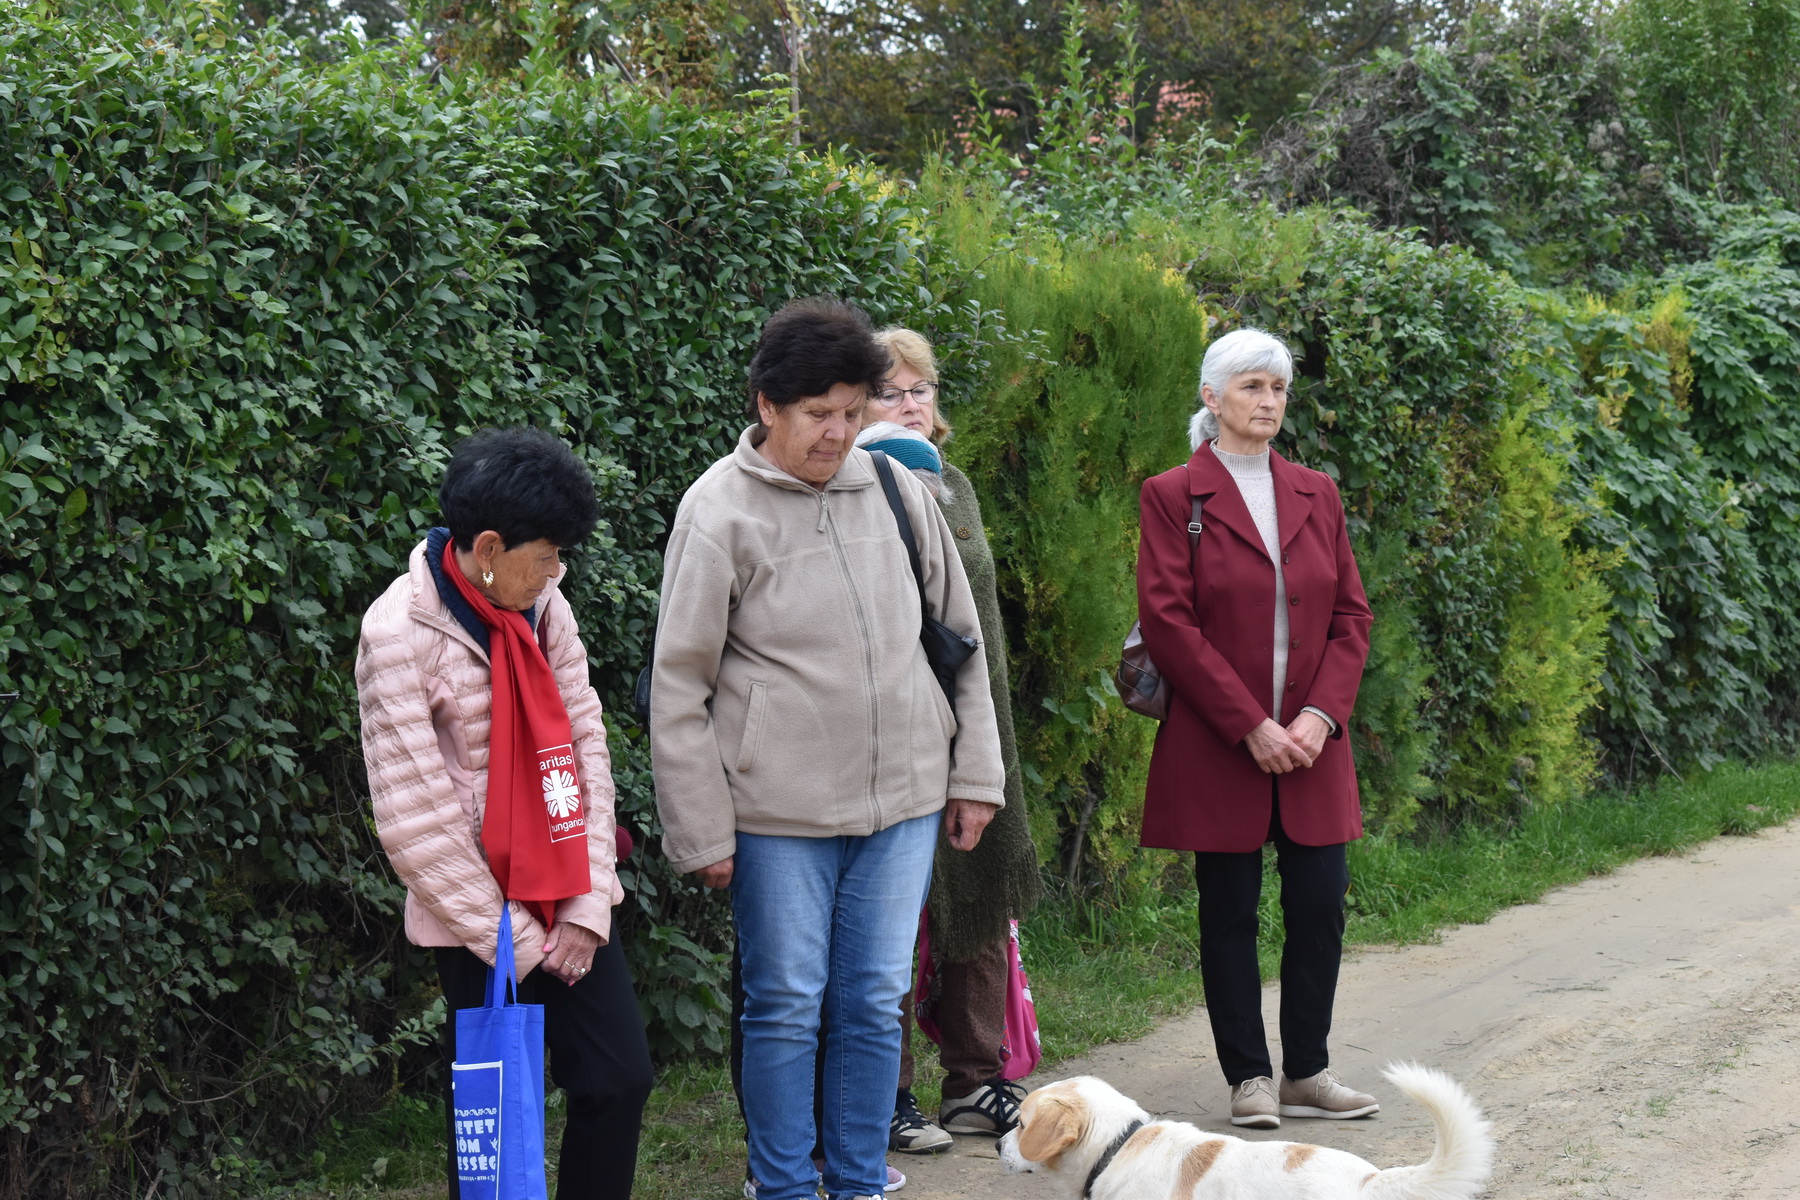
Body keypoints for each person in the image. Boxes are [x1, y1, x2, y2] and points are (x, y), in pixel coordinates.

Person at [651, 298, 1006, 1200]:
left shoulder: (893, 489)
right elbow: (679, 687)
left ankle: (857, 1184)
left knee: (875, 1000)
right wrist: (702, 830)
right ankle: (780, 1188)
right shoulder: (717, 512)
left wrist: (975, 774)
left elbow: (960, 640)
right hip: (777, 816)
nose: (839, 433)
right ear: (767, 405)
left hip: (905, 803)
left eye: (852, 411)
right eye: (818, 414)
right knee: (784, 1006)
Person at [356, 427, 654, 1200]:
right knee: (494, 1120)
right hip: (476, 919)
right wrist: (518, 941)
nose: (557, 571)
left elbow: (585, 744)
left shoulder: (544, 606)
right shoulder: (397, 633)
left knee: (618, 1078)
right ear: (488, 547)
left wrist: (588, 902)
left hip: (568, 888)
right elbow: (414, 822)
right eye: (547, 554)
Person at [1134, 327, 1376, 1130]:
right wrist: (1250, 725)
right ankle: (1249, 1078)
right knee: (1228, 912)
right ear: (1212, 397)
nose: (1268, 400)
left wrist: (1318, 717)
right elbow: (1167, 622)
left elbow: (1351, 615)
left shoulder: (1316, 491)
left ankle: (1306, 1070)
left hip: (1312, 745)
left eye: (1277, 388)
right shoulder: (1173, 494)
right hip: (1219, 743)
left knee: (1321, 904)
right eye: (1251, 386)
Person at [855, 328, 1041, 1152]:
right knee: (894, 916)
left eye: (919, 390)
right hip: (895, 733)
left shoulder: (954, 484)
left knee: (981, 890)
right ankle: (886, 1095)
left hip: (976, 724)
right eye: (888, 392)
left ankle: (975, 1080)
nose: (908, 404)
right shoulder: (853, 489)